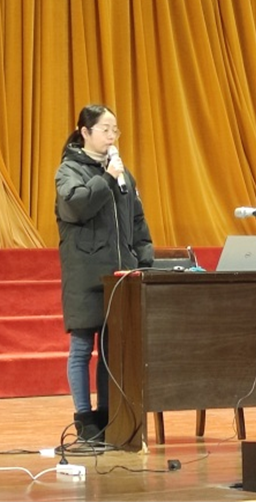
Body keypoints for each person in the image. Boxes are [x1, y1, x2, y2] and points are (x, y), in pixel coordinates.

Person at [55, 104, 154, 441]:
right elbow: (77, 206)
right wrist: (107, 178)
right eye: (105, 130)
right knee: (83, 347)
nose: (112, 136)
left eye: (115, 130)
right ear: (85, 132)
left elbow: (138, 222)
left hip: (120, 277)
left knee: (114, 351)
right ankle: (85, 419)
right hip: (85, 276)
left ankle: (109, 415)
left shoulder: (124, 175)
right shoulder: (69, 171)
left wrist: (143, 260)